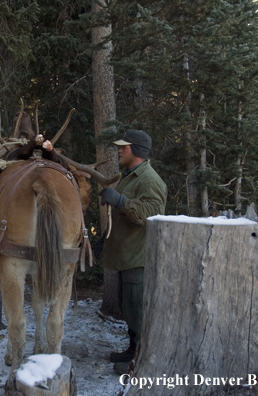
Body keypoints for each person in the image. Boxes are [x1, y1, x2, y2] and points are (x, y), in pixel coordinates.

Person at [98, 129, 167, 375]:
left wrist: (120, 201)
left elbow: (151, 213)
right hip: (127, 256)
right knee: (128, 307)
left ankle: (142, 359)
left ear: (135, 150)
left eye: (124, 147)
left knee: (137, 309)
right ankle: (133, 349)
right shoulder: (131, 176)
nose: (119, 150)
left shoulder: (149, 179)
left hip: (138, 259)